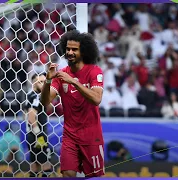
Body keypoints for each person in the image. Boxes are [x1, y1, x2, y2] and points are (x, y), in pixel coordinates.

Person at [40, 29, 105, 177]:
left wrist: (73, 82)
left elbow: (96, 99)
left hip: (91, 136)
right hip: (70, 136)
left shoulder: (95, 71)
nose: (70, 52)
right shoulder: (61, 74)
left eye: (74, 49)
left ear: (83, 51)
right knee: (68, 175)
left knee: (94, 177)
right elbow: (45, 102)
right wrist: (48, 80)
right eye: (68, 49)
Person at [24, 73, 53, 177]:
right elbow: (31, 118)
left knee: (34, 165)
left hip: (31, 135)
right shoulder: (35, 96)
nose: (43, 84)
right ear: (34, 83)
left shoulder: (31, 95)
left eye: (44, 82)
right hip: (37, 135)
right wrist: (39, 135)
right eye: (40, 82)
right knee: (46, 165)